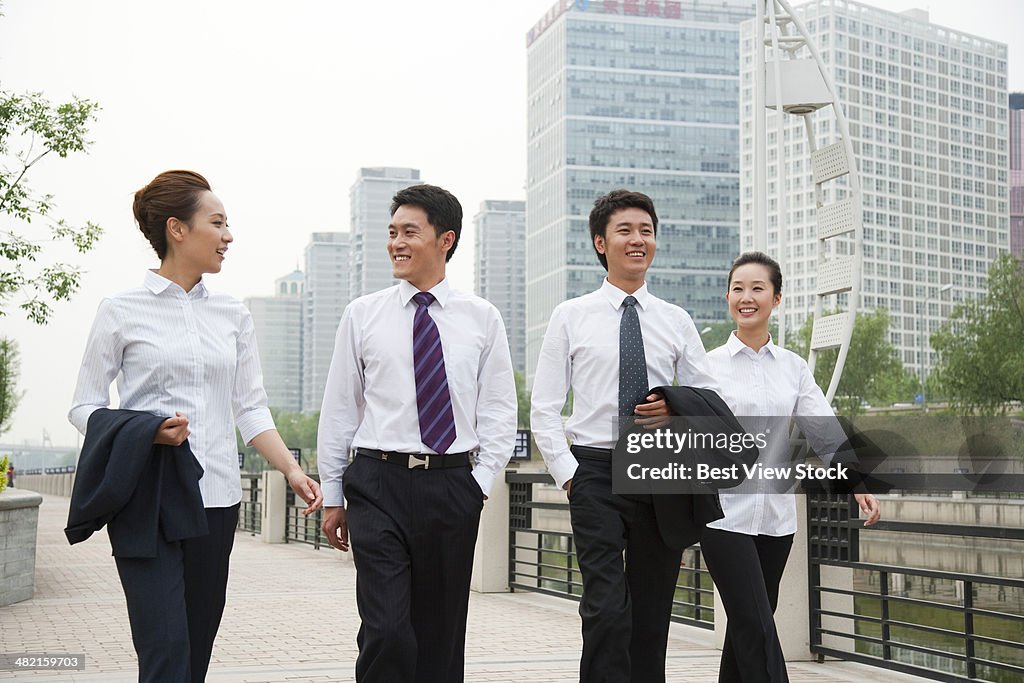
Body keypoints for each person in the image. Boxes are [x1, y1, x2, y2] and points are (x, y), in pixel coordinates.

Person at [68, 170, 323, 683]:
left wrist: (293, 472)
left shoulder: (233, 315)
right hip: (149, 499)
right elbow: (84, 406)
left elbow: (250, 408)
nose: (228, 236)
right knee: (164, 650)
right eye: (218, 223)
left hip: (217, 501)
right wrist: (147, 429)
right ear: (177, 230)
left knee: (196, 647)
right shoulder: (120, 310)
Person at [317, 184, 517, 683]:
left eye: (409, 232)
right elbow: (341, 407)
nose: (396, 243)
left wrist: (480, 483)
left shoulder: (482, 319)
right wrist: (334, 493)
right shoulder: (362, 314)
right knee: (386, 629)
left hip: (452, 487)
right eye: (391, 232)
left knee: (441, 635)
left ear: (445, 239)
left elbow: (498, 409)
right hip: (378, 481)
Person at [531, 189, 720, 683]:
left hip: (660, 470)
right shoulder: (571, 316)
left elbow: (710, 399)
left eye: (646, 231)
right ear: (600, 242)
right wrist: (570, 476)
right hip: (594, 470)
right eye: (625, 231)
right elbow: (545, 408)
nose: (638, 240)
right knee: (606, 608)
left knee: (652, 614)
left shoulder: (676, 320)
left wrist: (675, 408)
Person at [700, 251, 881, 682]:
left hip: (777, 523)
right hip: (723, 518)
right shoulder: (706, 367)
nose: (747, 297)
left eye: (757, 288)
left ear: (776, 298)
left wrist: (856, 481)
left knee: (748, 629)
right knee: (758, 627)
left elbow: (822, 428)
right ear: (728, 297)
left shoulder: (793, 367)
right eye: (738, 288)